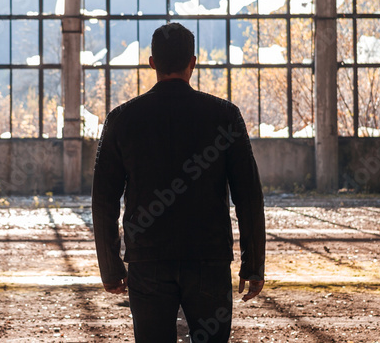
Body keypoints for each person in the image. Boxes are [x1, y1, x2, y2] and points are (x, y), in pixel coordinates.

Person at [91, 22, 266, 343]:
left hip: (148, 260)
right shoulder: (225, 116)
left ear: (152, 63)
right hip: (208, 260)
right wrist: (253, 264)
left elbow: (103, 200)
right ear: (193, 63)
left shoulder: (122, 119)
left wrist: (111, 268)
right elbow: (249, 196)